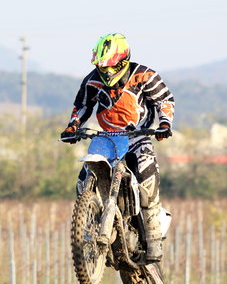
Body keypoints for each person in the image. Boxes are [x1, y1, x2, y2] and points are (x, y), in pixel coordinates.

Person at [60, 33, 175, 262]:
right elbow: (82, 106)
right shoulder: (92, 79)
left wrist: (164, 124)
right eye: (103, 68)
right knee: (84, 180)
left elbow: (165, 101)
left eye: (111, 67)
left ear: (123, 61)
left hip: (137, 136)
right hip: (107, 136)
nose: (107, 73)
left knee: (146, 180)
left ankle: (152, 240)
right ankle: (92, 223)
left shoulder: (144, 75)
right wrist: (72, 126)